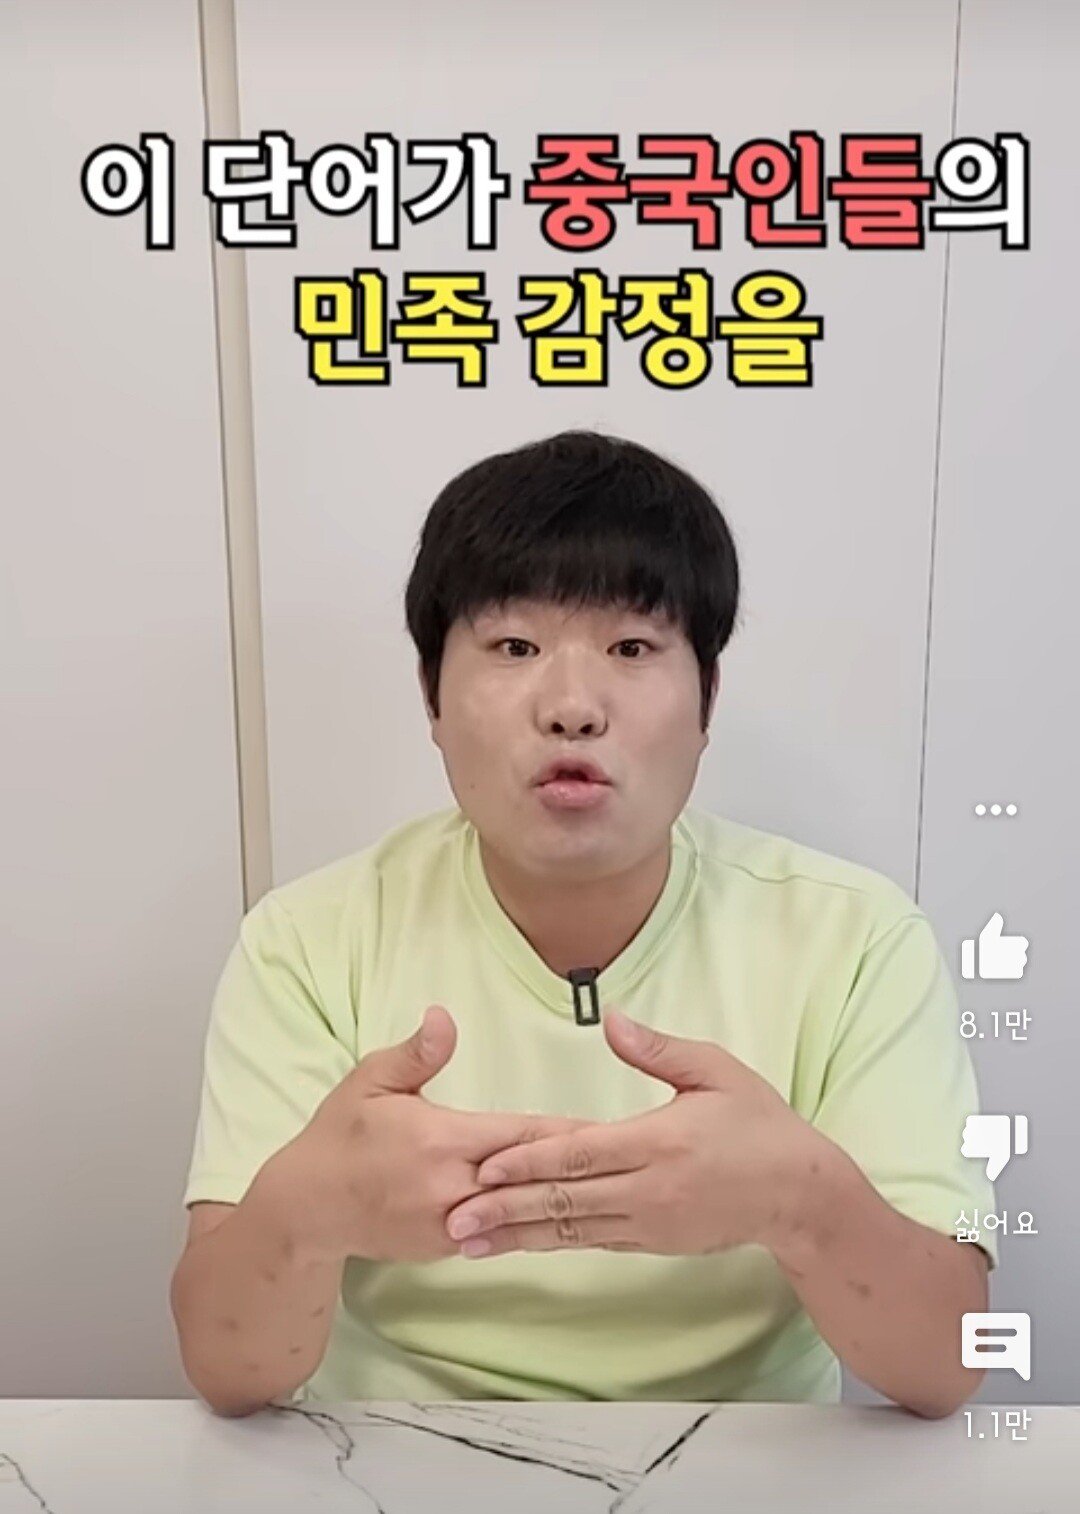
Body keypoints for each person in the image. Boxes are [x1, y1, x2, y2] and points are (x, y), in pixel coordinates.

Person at [171, 428, 996, 1418]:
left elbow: (946, 1367)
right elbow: (228, 1372)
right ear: (433, 695)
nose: (572, 706)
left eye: (632, 647)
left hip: (747, 1461)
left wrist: (800, 1198)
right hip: (394, 1458)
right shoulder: (307, 940)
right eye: (515, 647)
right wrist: (311, 1208)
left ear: (707, 698)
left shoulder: (857, 939)